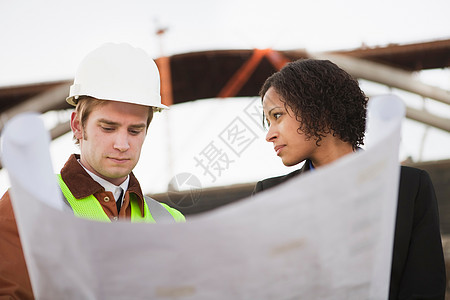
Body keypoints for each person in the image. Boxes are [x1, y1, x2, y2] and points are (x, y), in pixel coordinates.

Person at [0, 43, 185, 298]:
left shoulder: (172, 223)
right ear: (77, 125)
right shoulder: (27, 205)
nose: (122, 145)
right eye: (108, 128)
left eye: (134, 130)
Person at [253, 58, 446, 299]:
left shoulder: (409, 188)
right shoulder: (269, 196)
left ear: (317, 109)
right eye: (268, 121)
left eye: (277, 116)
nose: (269, 135)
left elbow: (425, 288)